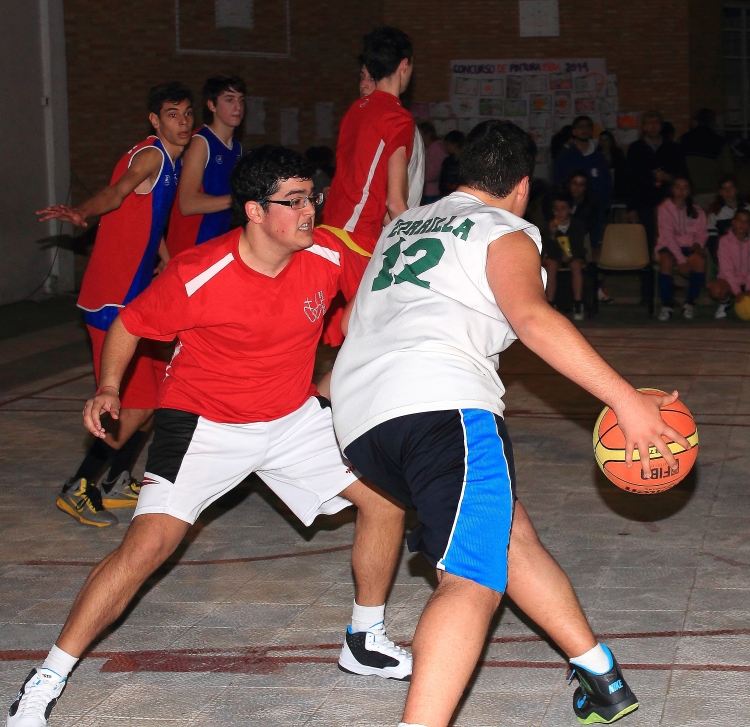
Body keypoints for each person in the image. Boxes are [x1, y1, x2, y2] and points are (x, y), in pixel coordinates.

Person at [7, 147, 412, 727]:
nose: (309, 211)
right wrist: (109, 386)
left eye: (312, 198)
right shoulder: (199, 273)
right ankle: (47, 677)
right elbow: (129, 324)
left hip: (291, 419)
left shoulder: (327, 251)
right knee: (145, 550)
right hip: (204, 425)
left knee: (385, 503)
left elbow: (389, 290)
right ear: (254, 210)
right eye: (294, 201)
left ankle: (364, 639)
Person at [330, 119, 689, 727]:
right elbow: (532, 319)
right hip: (440, 405)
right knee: (471, 581)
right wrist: (626, 400)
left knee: (507, 533)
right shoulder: (504, 229)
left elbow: (350, 326)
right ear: (522, 186)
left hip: (361, 422)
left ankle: (600, 675)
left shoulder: (400, 227)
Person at [35, 82, 194, 527]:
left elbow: (148, 221)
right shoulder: (152, 157)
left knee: (155, 396)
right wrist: (83, 212)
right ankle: (79, 486)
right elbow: (117, 193)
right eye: (172, 114)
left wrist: (169, 262)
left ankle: (117, 479)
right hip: (112, 302)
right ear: (155, 120)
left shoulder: (171, 162)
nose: (182, 122)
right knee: (135, 404)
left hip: (134, 300)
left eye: (187, 113)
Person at [319, 26, 416, 347]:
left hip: (329, 230)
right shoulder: (398, 118)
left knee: (348, 345)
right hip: (355, 239)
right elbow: (395, 204)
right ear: (404, 65)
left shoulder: (355, 109)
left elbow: (365, 184)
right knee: (381, 341)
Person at [166, 75, 245, 257]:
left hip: (216, 242)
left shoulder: (237, 147)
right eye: (229, 100)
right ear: (212, 105)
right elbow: (187, 204)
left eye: (241, 100)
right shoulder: (200, 142)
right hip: (190, 245)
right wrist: (239, 199)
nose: (238, 107)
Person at [625, 110, 688, 250]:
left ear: (661, 126)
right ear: (643, 126)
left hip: (668, 202)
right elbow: (629, 180)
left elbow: (683, 176)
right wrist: (631, 208)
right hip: (644, 203)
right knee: (645, 242)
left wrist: (668, 177)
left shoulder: (673, 148)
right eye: (649, 123)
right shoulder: (635, 148)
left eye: (656, 123)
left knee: (669, 241)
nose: (653, 126)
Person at [656, 177, 708, 321]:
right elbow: (669, 237)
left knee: (700, 262)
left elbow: (702, 233)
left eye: (685, 187)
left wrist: (698, 243)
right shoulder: (664, 209)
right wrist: (681, 260)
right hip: (669, 247)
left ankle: (690, 303)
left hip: (689, 246)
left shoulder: (697, 210)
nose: (681, 191)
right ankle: (666, 305)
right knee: (666, 261)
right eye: (678, 187)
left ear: (689, 191)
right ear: (672, 189)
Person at [554, 115, 611, 244]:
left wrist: (602, 210)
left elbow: (607, 188)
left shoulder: (599, 158)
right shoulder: (565, 157)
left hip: (595, 216)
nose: (584, 130)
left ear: (592, 131)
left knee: (594, 249)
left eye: (587, 127)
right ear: (574, 131)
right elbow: (558, 185)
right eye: (580, 127)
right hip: (569, 215)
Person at [541, 191, 588, 319]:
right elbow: (548, 249)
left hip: (574, 255)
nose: (559, 212)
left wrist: (570, 255)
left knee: (576, 265)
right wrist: (552, 234)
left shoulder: (577, 224)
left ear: (570, 210)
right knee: (551, 266)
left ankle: (578, 303)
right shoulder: (548, 225)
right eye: (556, 209)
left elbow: (578, 245)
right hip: (554, 256)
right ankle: (550, 303)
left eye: (563, 209)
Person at [680, 109, 734, 209]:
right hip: (712, 192)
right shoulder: (719, 142)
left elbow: (678, 166)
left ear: (696, 121)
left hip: (687, 192)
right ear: (713, 122)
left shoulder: (684, 139)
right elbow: (727, 170)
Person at [709, 208, 750, 319]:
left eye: (746, 221)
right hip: (730, 280)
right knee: (716, 289)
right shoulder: (724, 241)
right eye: (739, 220)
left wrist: (748, 289)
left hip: (748, 280)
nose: (742, 224)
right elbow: (727, 270)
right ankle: (726, 302)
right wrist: (737, 291)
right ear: (734, 222)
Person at [706, 174, 749, 262]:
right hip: (726, 253)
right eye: (724, 188)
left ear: (736, 189)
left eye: (731, 187)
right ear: (720, 192)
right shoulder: (714, 212)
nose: (728, 191)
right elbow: (712, 240)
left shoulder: (747, 208)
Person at [418, 121, 447, 203]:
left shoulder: (437, 148)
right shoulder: (426, 148)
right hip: (426, 190)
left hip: (434, 192)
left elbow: (435, 172)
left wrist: (421, 177)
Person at [597, 130, 627, 204]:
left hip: (616, 187)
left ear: (611, 141)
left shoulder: (617, 153)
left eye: (606, 140)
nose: (603, 142)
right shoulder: (596, 155)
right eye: (601, 140)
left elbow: (622, 172)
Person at [438, 129, 464, 198]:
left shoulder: (465, 161)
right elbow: (442, 181)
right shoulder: (447, 161)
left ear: (455, 144)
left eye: (448, 144)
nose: (446, 147)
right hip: (448, 195)